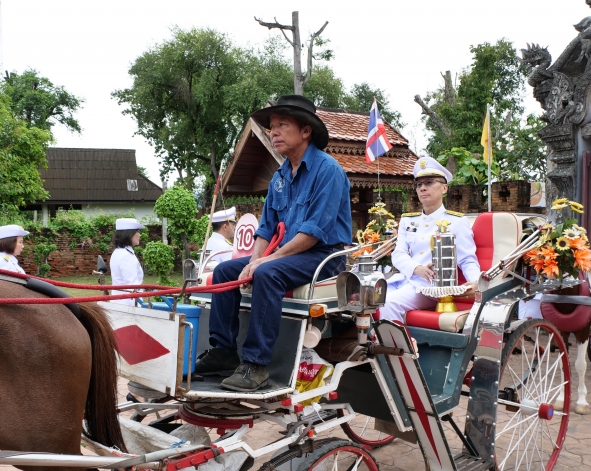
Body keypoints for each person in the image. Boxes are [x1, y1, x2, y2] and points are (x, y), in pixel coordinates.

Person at [195, 94, 352, 392]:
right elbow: (266, 228)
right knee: (226, 272)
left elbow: (313, 233)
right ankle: (224, 351)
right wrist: (254, 260)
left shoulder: (328, 171)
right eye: (271, 126)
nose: (273, 131)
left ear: (305, 130)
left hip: (321, 256)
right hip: (286, 254)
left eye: (282, 125)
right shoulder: (280, 175)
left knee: (268, 273)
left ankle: (256, 365)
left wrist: (264, 262)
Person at [381, 157, 480, 322]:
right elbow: (398, 254)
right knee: (366, 299)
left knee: (389, 303)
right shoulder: (408, 220)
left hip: (430, 288)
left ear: (444, 188)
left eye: (429, 182)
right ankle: (376, 345)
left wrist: (476, 281)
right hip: (403, 280)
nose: (423, 188)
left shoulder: (456, 221)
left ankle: (398, 348)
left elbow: (467, 259)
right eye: (419, 185)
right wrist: (416, 268)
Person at [110, 218, 145, 306]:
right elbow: (131, 287)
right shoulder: (126, 256)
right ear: (129, 234)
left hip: (118, 301)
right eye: (137, 231)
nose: (139, 235)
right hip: (128, 305)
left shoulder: (118, 252)